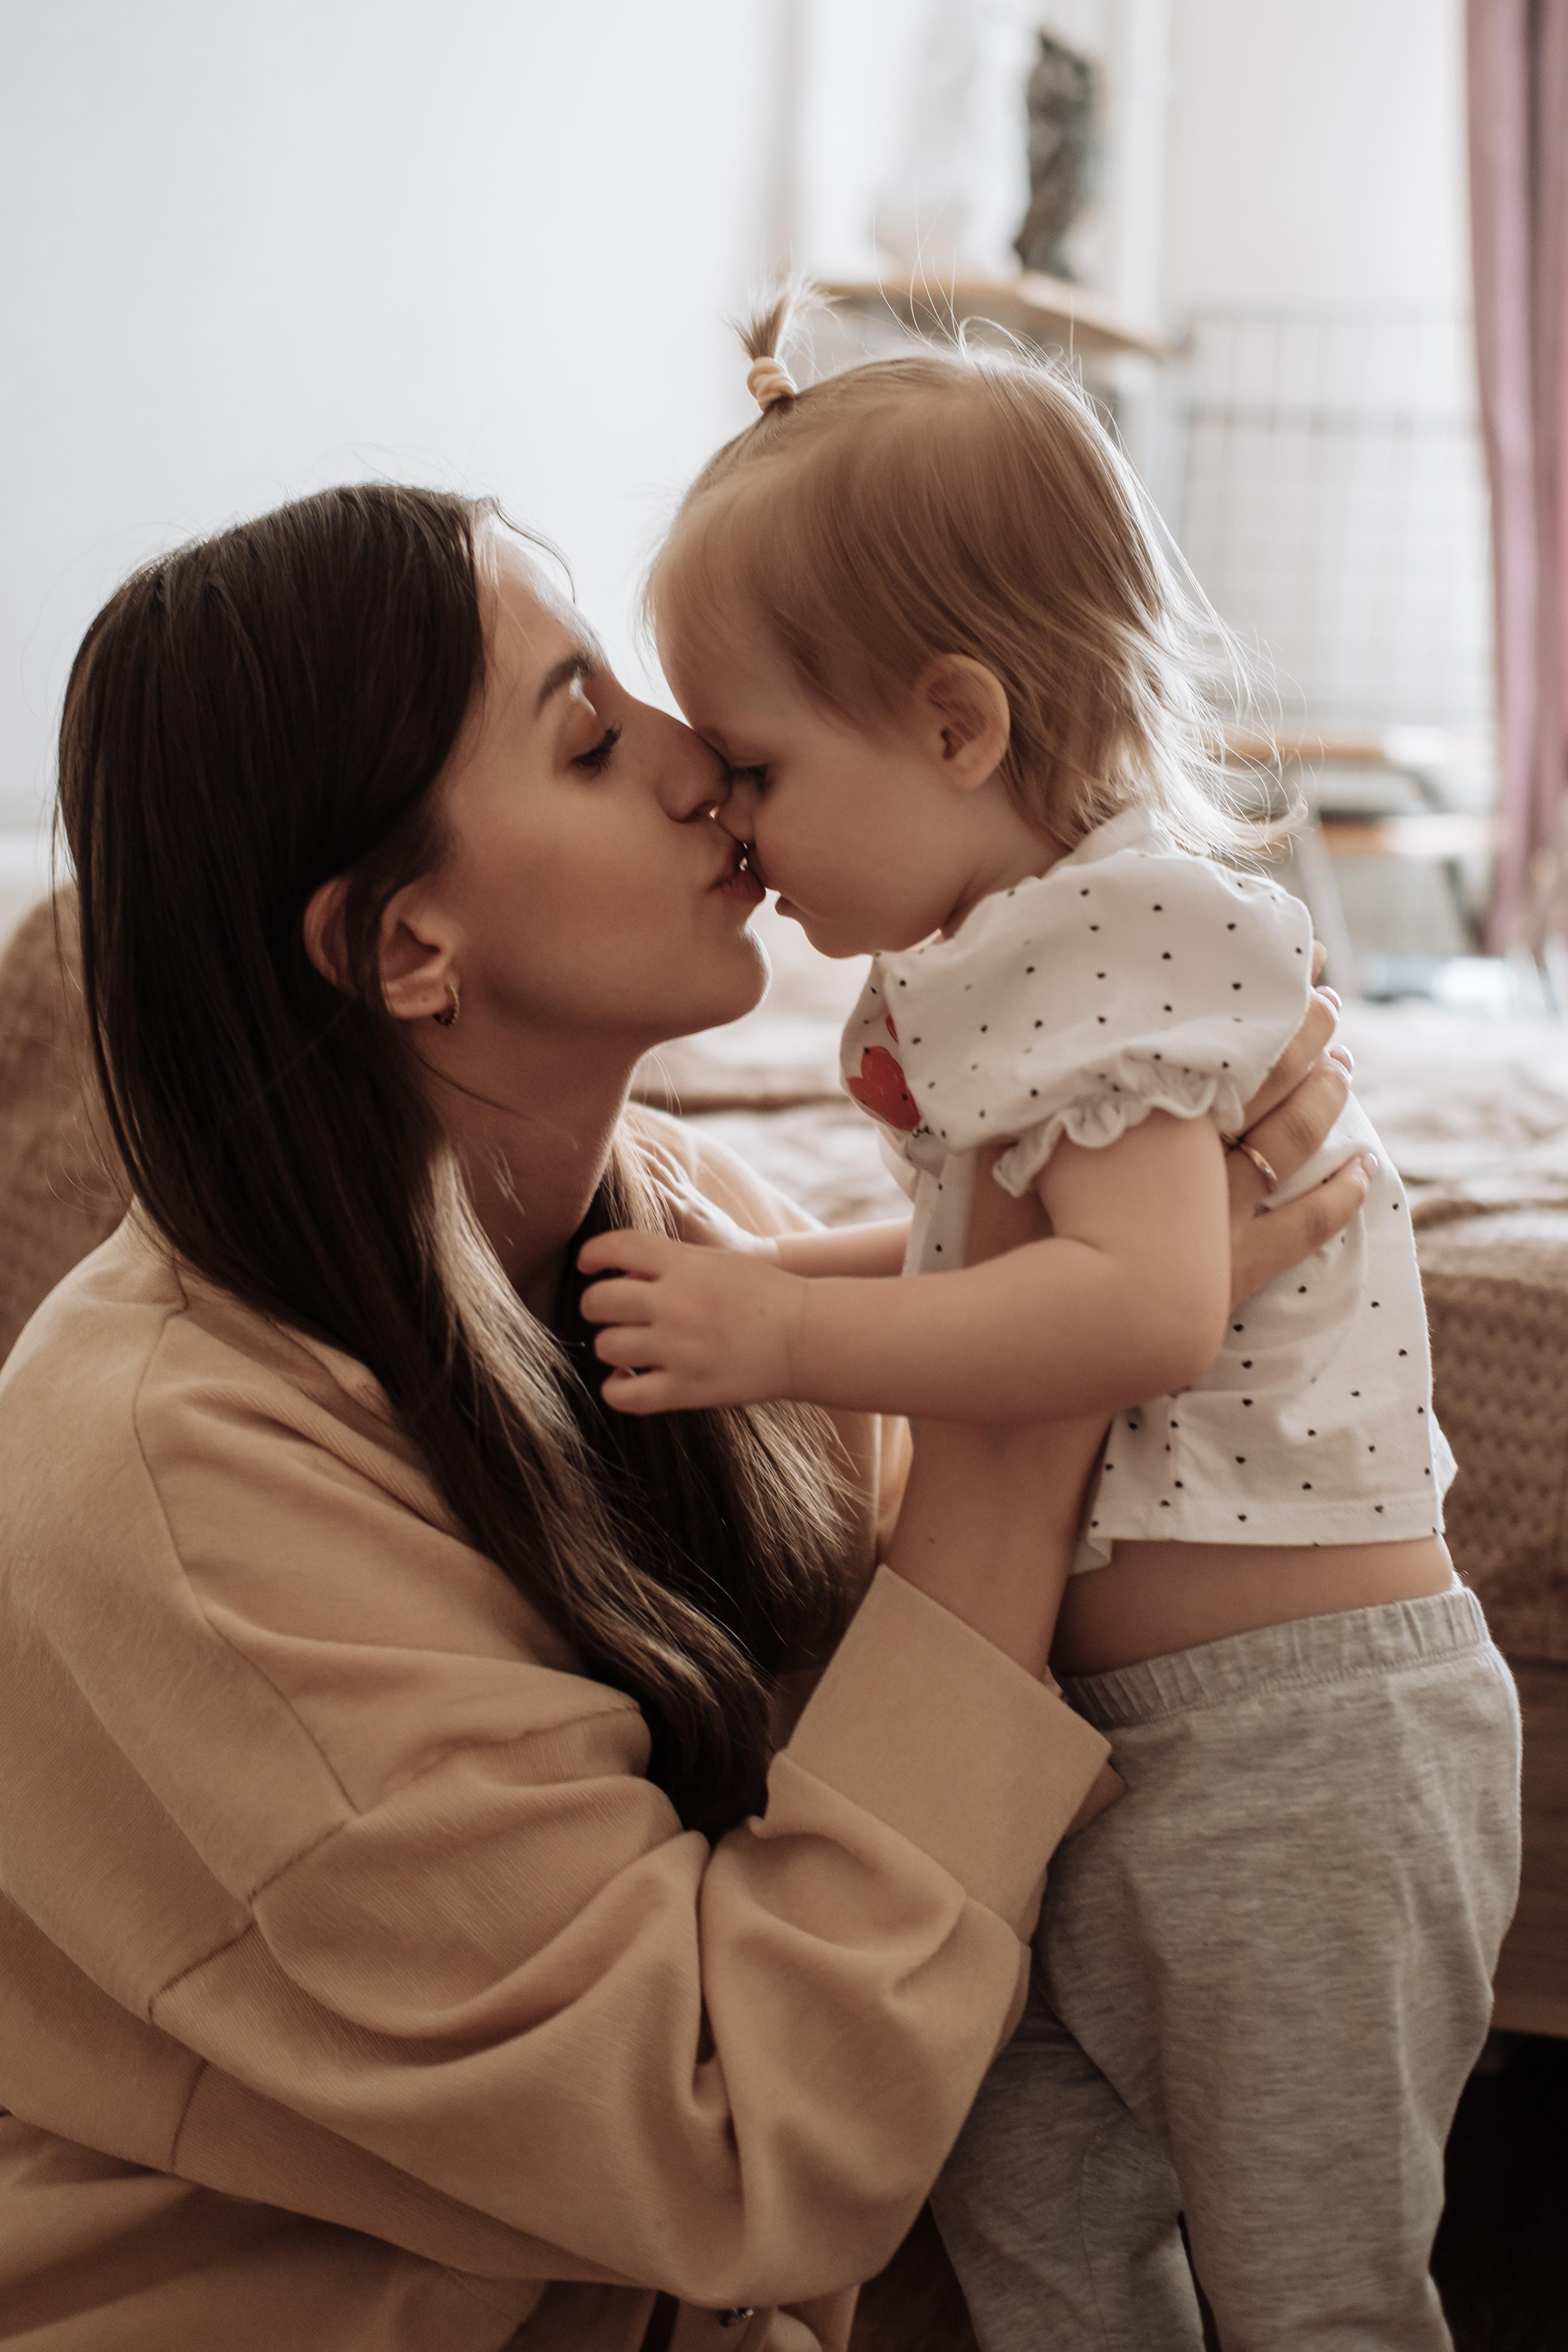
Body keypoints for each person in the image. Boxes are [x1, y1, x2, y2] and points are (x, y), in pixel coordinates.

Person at [0, 481, 1363, 2351]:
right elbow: (743, 2140)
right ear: (406, 953)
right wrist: (1053, 1367)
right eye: (586, 738)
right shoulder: (176, 1481)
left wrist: (1138, 1239)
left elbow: (909, 1685)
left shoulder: (654, 1231)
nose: (699, 757)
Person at [579, 304, 1523, 2350]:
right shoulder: (1011, 951)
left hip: (1302, 1730)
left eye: (755, 766)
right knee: (1031, 2231)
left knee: (1313, 2285)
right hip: (1102, 1743)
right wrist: (754, 1290)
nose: (727, 822)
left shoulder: (1116, 930)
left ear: (956, 725)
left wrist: (773, 1338)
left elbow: (1142, 1309)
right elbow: (980, 1283)